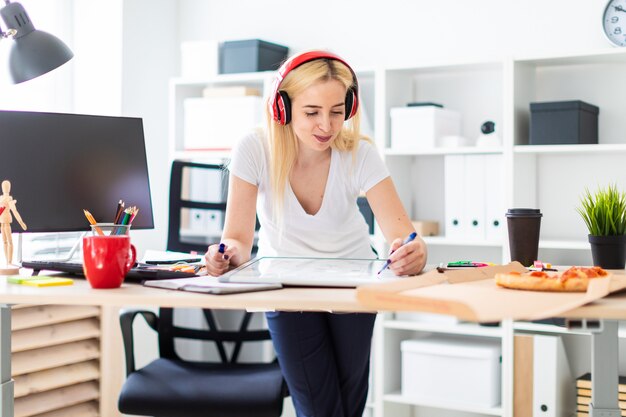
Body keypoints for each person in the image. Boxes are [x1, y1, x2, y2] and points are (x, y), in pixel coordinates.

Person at [205, 50, 427, 417]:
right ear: (282, 107)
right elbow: (240, 241)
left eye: (337, 111)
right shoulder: (254, 149)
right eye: (312, 112)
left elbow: (404, 237)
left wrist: (413, 253)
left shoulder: (360, 153)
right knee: (318, 406)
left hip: (355, 285)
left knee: (349, 401)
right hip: (286, 287)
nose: (326, 125)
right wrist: (223, 256)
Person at [0, 180, 27, 267]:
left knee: (9, 241)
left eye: (6, 186)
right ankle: (7, 261)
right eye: (4, 186)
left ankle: (9, 261)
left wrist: (21, 221)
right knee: (5, 241)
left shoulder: (8, 199)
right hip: (2, 222)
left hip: (6, 222)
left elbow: (14, 211)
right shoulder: (2, 198)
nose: (5, 188)